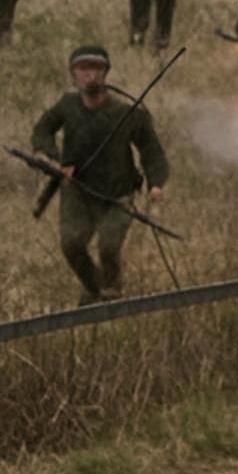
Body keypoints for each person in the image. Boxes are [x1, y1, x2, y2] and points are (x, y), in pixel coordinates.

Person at [32, 45, 169, 305]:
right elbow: (42, 130)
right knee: (72, 245)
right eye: (83, 69)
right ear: (73, 73)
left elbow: (152, 151)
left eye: (96, 68)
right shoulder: (67, 105)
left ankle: (113, 291)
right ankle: (96, 291)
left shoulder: (126, 112)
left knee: (108, 246)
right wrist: (52, 157)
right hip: (78, 191)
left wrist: (156, 184)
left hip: (117, 194)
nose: (90, 75)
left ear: (105, 73)